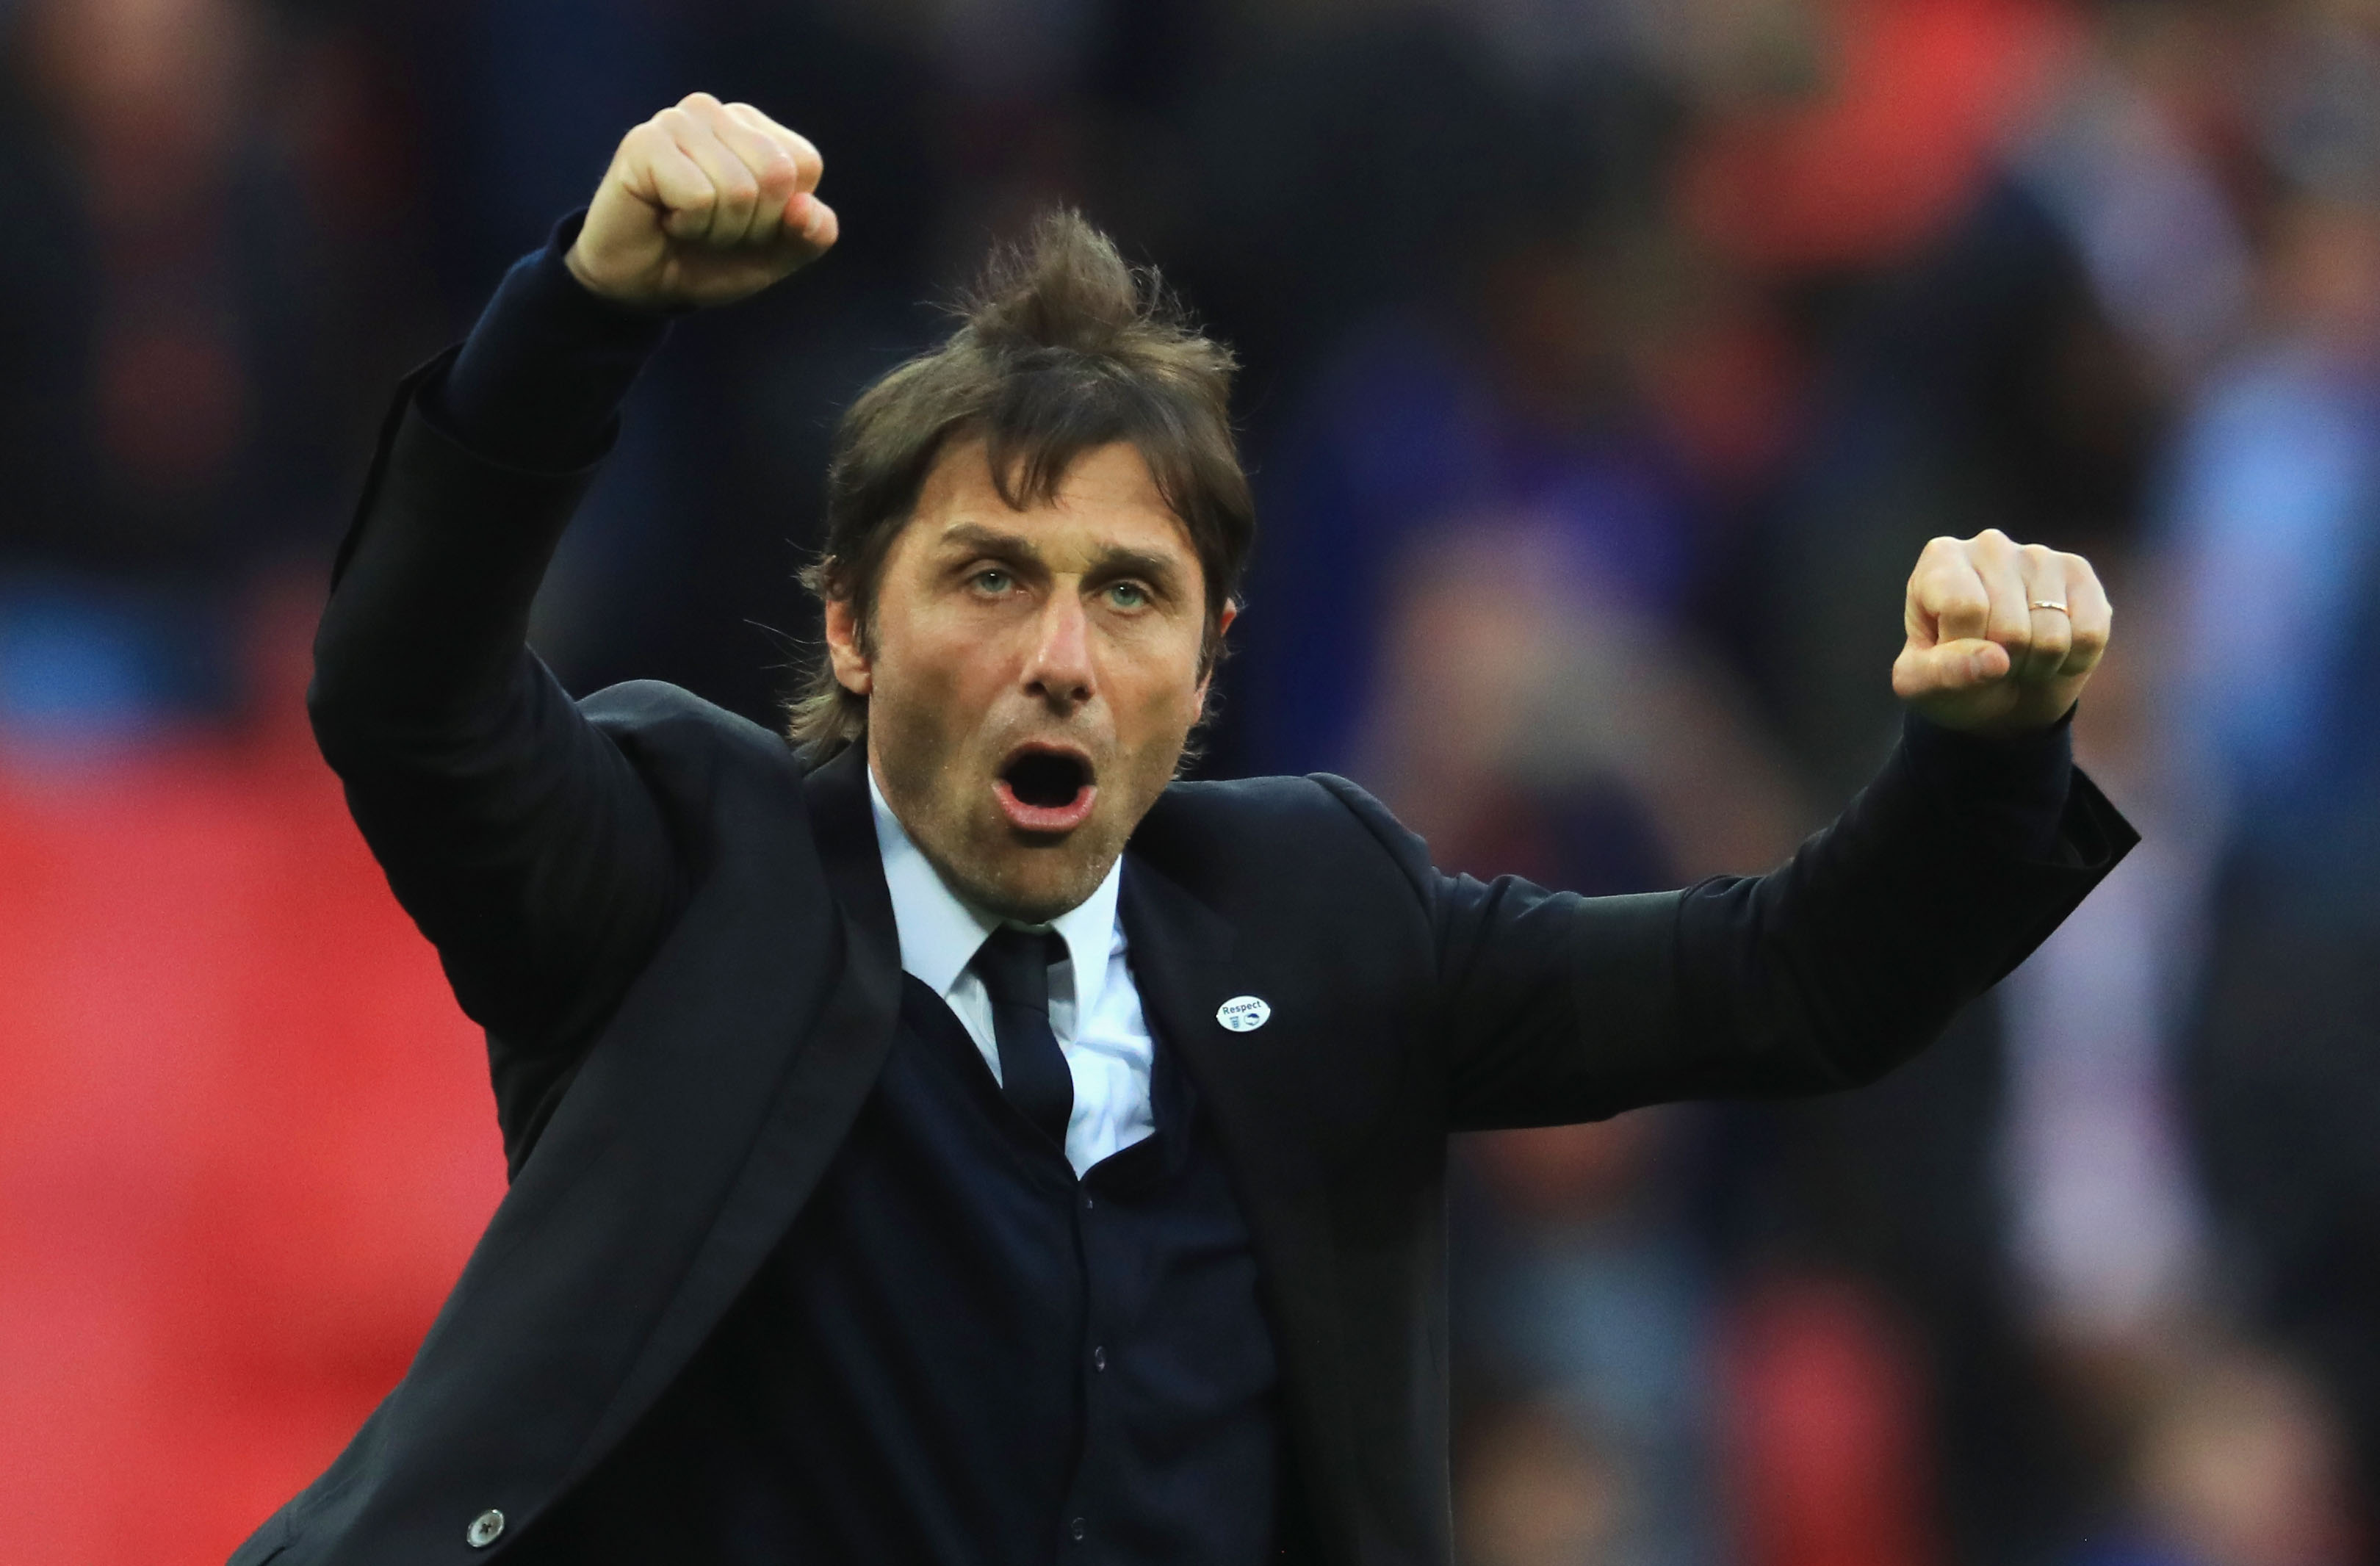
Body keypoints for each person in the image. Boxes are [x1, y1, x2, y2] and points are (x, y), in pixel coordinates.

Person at [233, 94, 2134, 1566]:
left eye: (1128, 594)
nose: (1061, 655)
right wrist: (582, 309)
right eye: (988, 575)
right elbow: (406, 695)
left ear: (1210, 661)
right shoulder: (681, 871)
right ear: (847, 621)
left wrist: (1989, 757)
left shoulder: (1318, 912)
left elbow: (1793, 980)